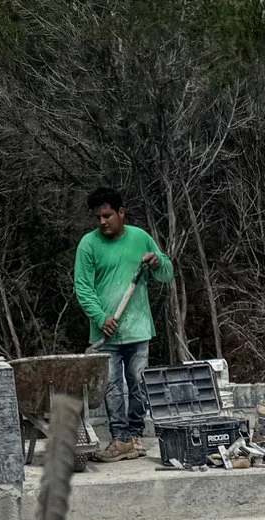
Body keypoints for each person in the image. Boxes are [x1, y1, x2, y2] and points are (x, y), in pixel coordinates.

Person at [73, 188, 169, 461]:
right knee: (112, 386)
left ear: (121, 213)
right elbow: (82, 288)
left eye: (107, 215)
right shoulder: (88, 245)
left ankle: (136, 435)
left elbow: (167, 273)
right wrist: (101, 318)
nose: (102, 222)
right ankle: (120, 439)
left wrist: (156, 261)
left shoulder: (140, 238)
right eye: (98, 217)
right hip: (107, 334)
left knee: (138, 383)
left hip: (138, 329)